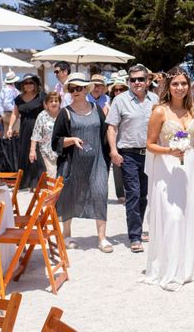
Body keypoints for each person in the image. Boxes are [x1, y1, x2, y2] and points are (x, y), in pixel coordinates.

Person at [141, 66, 194, 290]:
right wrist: (169, 151)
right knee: (173, 217)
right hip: (167, 169)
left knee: (190, 215)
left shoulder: (193, 110)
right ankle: (169, 269)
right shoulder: (160, 111)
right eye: (175, 84)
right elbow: (149, 144)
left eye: (183, 83)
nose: (180, 88)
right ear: (168, 87)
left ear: (189, 86)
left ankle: (188, 267)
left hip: (189, 169)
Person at [51, 73, 112, 253]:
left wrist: (112, 154)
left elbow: (105, 135)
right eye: (72, 88)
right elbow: (55, 142)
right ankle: (67, 234)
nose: (75, 91)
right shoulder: (65, 113)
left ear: (86, 89)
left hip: (97, 161)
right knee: (69, 196)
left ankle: (102, 238)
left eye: (79, 88)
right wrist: (71, 140)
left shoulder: (97, 109)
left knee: (100, 193)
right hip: (72, 163)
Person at [106, 64, 158, 253]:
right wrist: (113, 151)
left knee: (144, 195)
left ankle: (139, 228)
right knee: (133, 194)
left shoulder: (156, 99)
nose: (137, 83)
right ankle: (134, 236)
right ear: (128, 81)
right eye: (133, 79)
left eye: (140, 79)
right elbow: (111, 128)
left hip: (150, 154)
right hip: (128, 154)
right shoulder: (120, 100)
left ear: (147, 81)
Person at [8, 73, 45, 188]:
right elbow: (15, 113)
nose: (28, 85)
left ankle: (38, 182)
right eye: (26, 83)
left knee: (38, 155)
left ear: (35, 84)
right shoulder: (19, 99)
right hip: (24, 130)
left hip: (39, 129)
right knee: (24, 154)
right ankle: (25, 183)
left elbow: (48, 111)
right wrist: (10, 127)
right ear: (23, 85)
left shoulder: (42, 96)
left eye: (31, 82)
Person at [30, 92, 61, 178]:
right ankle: (52, 191)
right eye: (51, 101)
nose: (54, 103)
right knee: (51, 175)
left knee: (61, 178)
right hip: (47, 152)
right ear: (46, 104)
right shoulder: (42, 115)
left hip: (62, 152)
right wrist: (32, 150)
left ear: (60, 103)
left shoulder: (64, 114)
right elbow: (36, 133)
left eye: (56, 101)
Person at [109, 78, 129, 204]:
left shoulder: (131, 102)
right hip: (115, 137)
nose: (118, 92)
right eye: (115, 90)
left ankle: (129, 193)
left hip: (127, 138)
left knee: (128, 166)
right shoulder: (110, 104)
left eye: (121, 89)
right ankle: (120, 194)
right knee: (117, 167)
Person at [0, 70, 20, 138]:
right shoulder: (10, 90)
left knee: (7, 136)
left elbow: (0, 103)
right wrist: (17, 110)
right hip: (11, 114)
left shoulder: (4, 89)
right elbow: (7, 104)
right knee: (15, 135)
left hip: (5, 114)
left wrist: (2, 114)